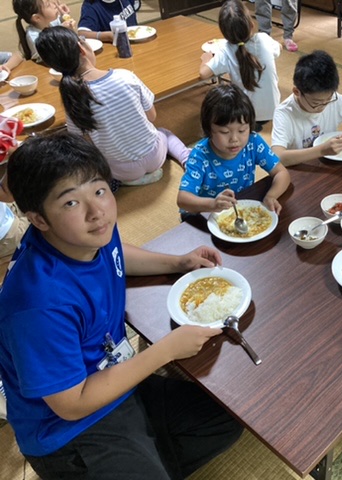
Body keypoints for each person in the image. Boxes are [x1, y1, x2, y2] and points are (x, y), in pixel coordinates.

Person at [0, 132, 243, 479]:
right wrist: (165, 351)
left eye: (99, 190)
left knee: (228, 418)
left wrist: (178, 262)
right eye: (70, 203)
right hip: (68, 432)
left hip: (119, 380)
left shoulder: (89, 234)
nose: (97, 211)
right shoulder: (37, 305)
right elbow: (71, 404)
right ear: (38, 219)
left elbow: (116, 253)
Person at [36, 26, 191, 187]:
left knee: (99, 159)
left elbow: (84, 143)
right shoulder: (125, 76)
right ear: (81, 48)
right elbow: (152, 116)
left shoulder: (71, 97)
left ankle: (131, 181)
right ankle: (186, 158)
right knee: (163, 133)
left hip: (121, 170)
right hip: (154, 157)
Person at [178, 83, 290, 216]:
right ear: (208, 130)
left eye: (242, 130)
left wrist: (271, 196)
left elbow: (281, 173)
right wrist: (213, 204)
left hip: (239, 206)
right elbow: (183, 199)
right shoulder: (200, 156)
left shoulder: (253, 142)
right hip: (203, 212)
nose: (234, 139)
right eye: (224, 132)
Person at [271, 50, 342, 167]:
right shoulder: (284, 113)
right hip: (301, 167)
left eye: (328, 100)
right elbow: (277, 157)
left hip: (329, 163)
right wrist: (321, 151)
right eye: (316, 103)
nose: (323, 106)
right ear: (297, 92)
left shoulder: (332, 99)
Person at [199, 0, 281, 129]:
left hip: (247, 114)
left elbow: (203, 74)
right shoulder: (263, 39)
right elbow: (279, 47)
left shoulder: (225, 50)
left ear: (224, 34)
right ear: (251, 25)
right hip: (274, 109)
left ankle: (250, 127)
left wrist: (206, 59)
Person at [0, 115, 29, 261]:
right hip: (5, 235)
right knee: (50, 229)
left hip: (4, 210)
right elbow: (7, 194)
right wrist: (14, 157)